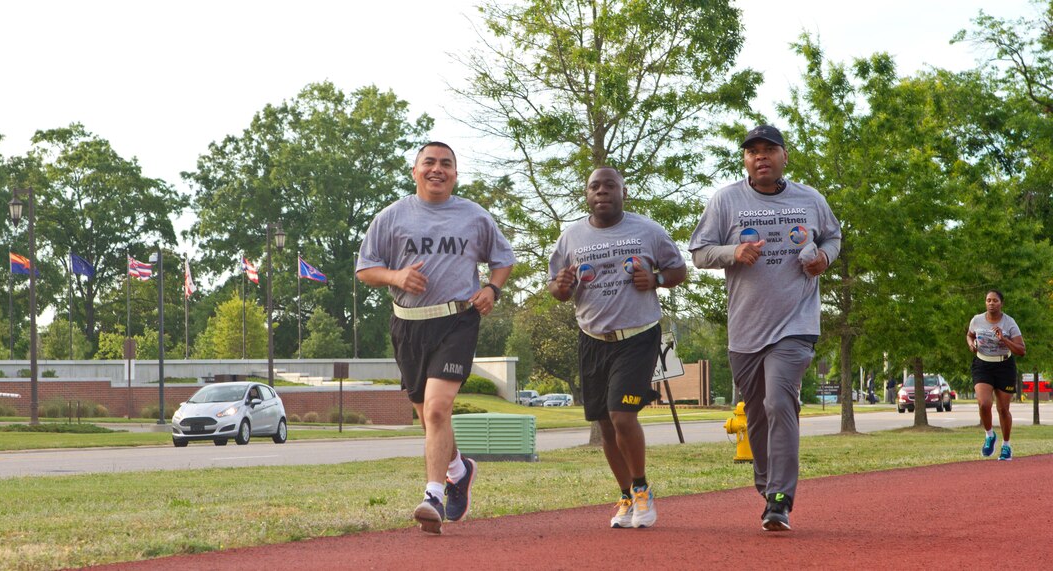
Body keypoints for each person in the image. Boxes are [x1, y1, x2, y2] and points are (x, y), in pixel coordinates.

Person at [356, 141, 515, 534]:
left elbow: (503, 259)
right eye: (429, 162)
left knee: (438, 409)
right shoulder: (391, 217)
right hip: (407, 324)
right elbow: (365, 270)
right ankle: (459, 470)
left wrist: (492, 290)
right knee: (427, 416)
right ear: (415, 171)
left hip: (457, 320)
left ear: (455, 174)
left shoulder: (474, 216)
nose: (437, 169)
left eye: (446, 164)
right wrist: (396, 276)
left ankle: (432, 495)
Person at [688, 125, 841, 532]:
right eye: (753, 151)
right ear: (745, 160)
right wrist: (732, 251)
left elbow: (833, 237)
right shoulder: (726, 200)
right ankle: (766, 486)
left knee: (778, 402)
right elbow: (700, 253)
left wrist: (823, 258)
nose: (761, 157)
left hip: (796, 323)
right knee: (756, 413)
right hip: (746, 330)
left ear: (784, 156)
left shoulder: (810, 199)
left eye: (769, 150)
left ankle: (780, 499)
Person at [548, 166, 687, 529]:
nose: (602, 191)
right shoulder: (571, 237)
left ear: (624, 192)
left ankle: (642, 489)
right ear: (587, 194)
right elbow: (556, 287)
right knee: (605, 425)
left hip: (638, 336)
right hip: (593, 339)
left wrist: (656, 278)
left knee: (622, 416)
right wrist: (561, 286)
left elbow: (678, 270)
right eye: (595, 186)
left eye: (610, 185)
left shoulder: (649, 230)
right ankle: (626, 495)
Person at [966, 289, 1025, 461]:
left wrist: (1004, 339)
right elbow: (970, 335)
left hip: (1004, 366)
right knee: (984, 403)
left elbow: (1021, 350)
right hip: (982, 364)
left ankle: (1006, 446)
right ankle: (989, 435)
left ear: (1001, 303)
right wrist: (971, 344)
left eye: (995, 301)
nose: (991, 303)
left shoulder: (1009, 323)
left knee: (1003, 409)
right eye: (988, 300)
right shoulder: (977, 320)